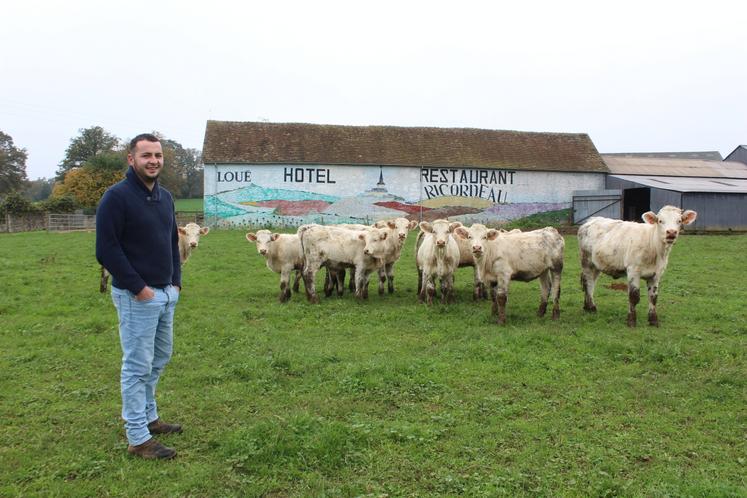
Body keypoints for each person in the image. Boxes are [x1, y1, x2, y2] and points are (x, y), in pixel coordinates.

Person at [96, 133, 183, 459]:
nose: (153, 161)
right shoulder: (116, 198)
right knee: (136, 366)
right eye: (146, 155)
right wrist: (139, 288)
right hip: (137, 297)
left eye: (158, 155)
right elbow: (106, 249)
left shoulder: (166, 197)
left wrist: (176, 282)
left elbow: (172, 241)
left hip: (165, 294)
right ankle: (137, 437)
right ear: (131, 159)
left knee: (159, 359)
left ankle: (149, 418)